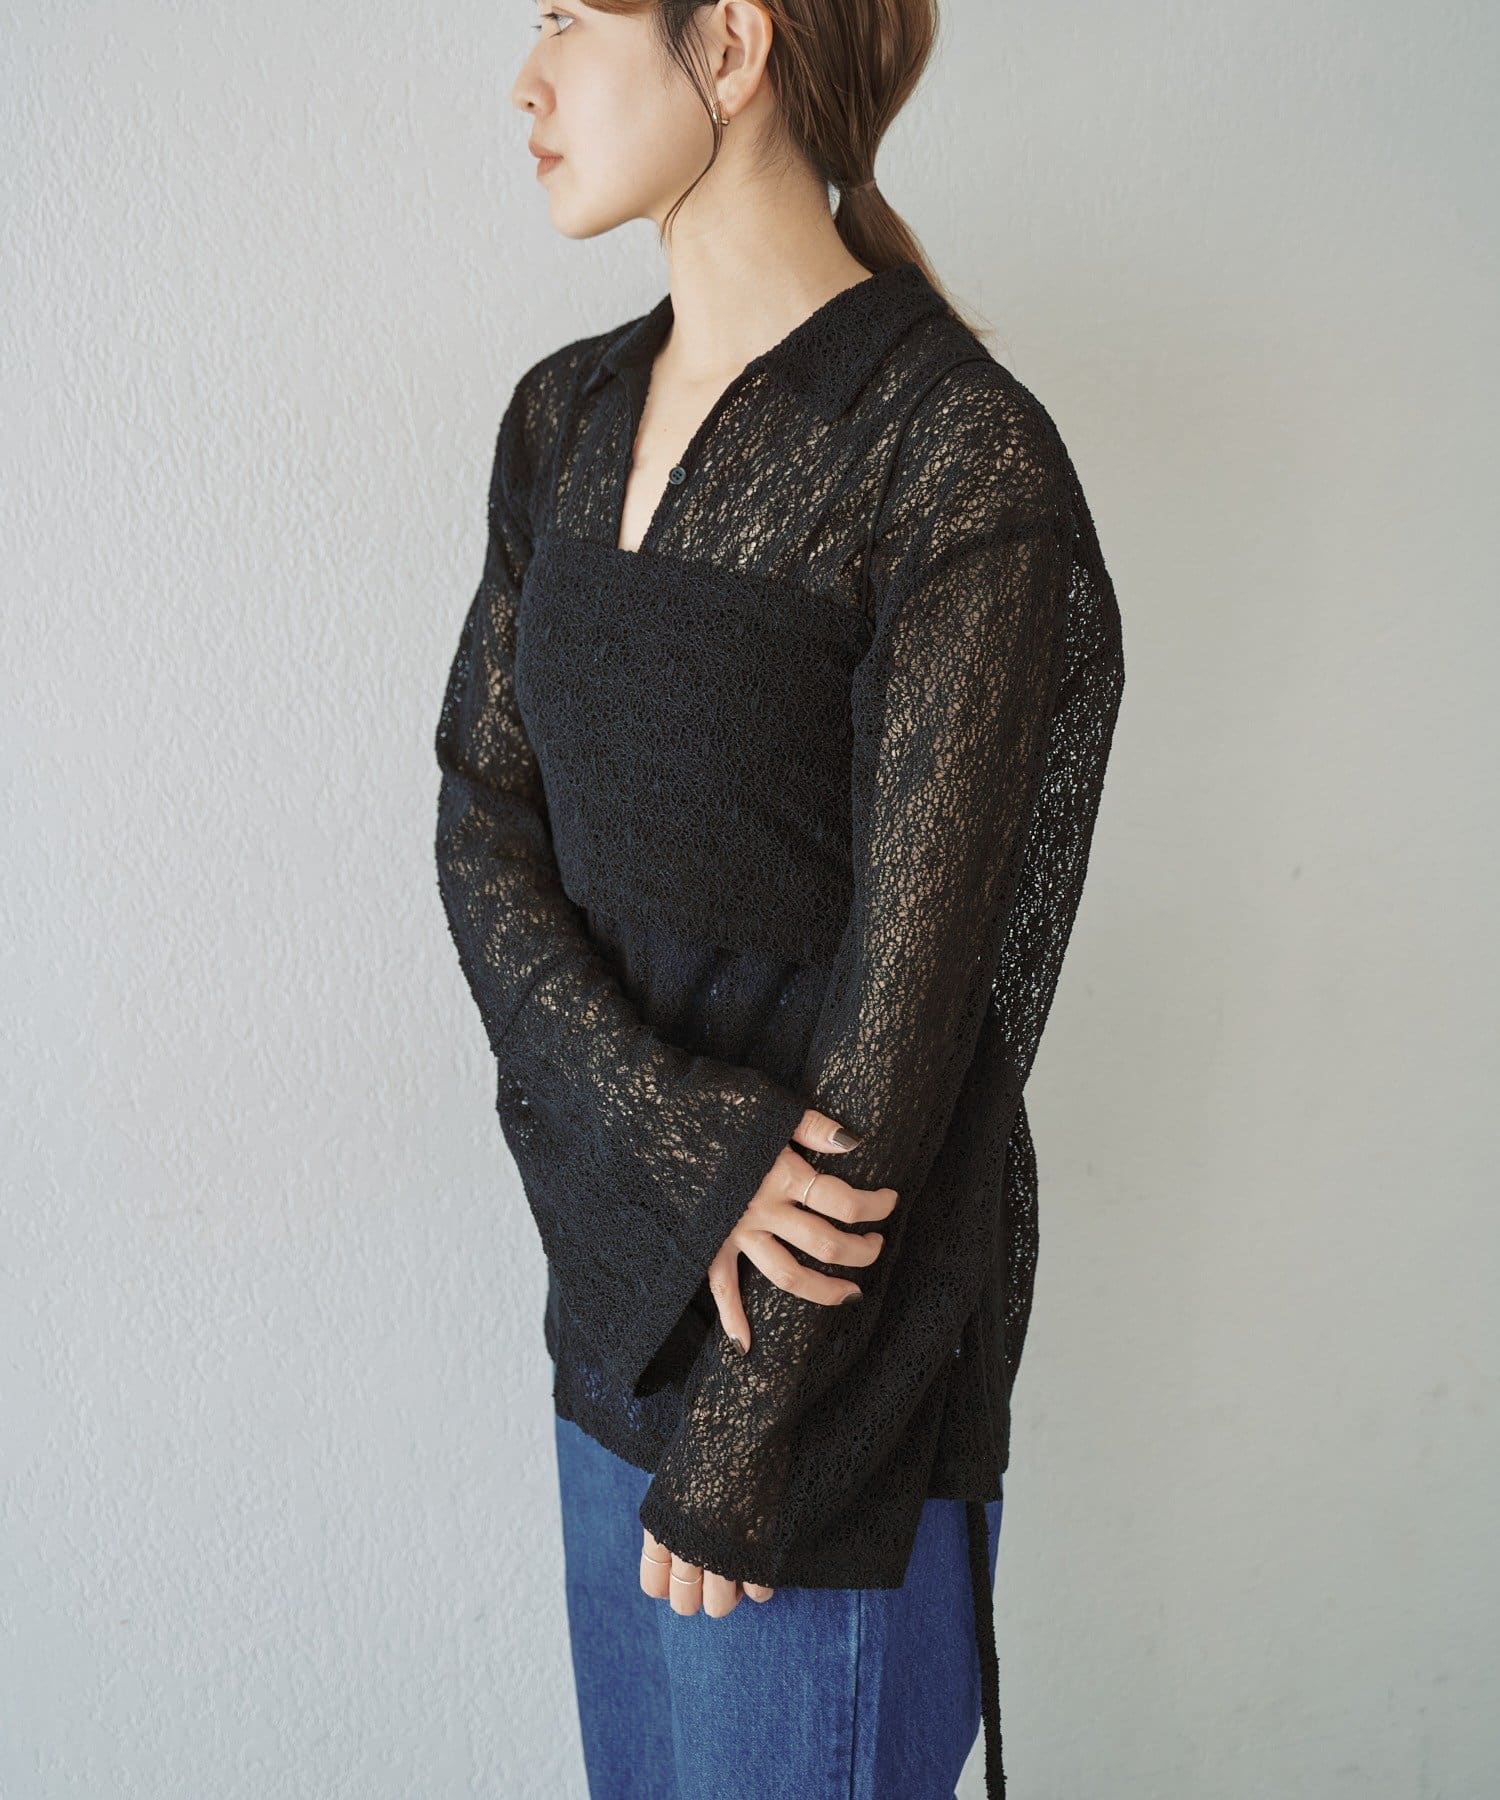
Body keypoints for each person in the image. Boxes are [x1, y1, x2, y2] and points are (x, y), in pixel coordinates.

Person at [433, 1, 1126, 1793]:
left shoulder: (953, 455)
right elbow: (482, 824)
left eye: (569, 16)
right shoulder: (564, 420)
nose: (525, 78)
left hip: (824, 1409)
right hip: (613, 1327)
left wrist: (753, 1443)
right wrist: (673, 1141)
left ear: (730, 47)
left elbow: (918, 1010)